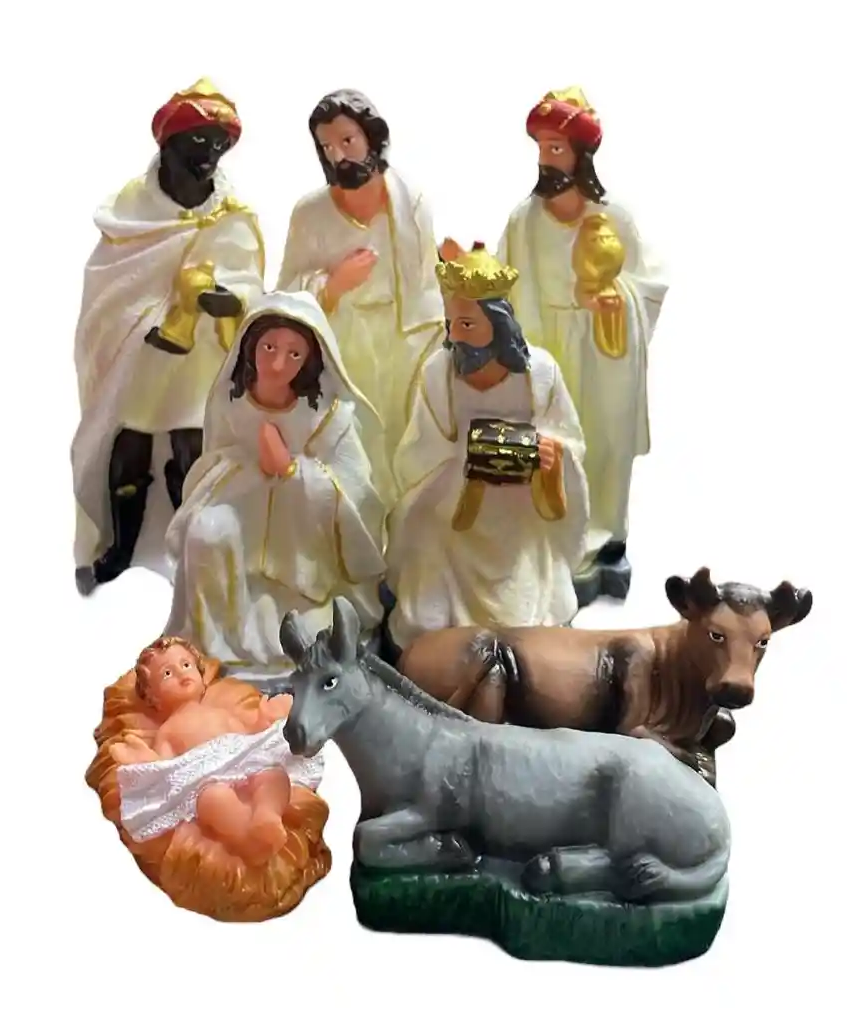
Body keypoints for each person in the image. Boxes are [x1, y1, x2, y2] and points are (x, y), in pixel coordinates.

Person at [72, 78, 265, 596]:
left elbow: (247, 278)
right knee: (129, 443)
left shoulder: (232, 214)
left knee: (193, 448)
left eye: (219, 144)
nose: (209, 155)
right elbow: (113, 288)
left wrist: (228, 299)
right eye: (198, 140)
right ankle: (119, 547)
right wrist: (147, 320)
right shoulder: (132, 211)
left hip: (201, 352)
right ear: (169, 141)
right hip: (144, 349)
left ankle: (192, 551)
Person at [498, 87, 668, 605]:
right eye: (542, 149)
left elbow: (648, 282)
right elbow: (504, 282)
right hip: (544, 344)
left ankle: (603, 533)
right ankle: (548, 530)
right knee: (549, 438)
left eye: (557, 148)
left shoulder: (614, 217)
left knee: (602, 439)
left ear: (581, 155)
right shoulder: (524, 220)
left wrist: (615, 301)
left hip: (600, 351)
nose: (547, 160)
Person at [164, 290, 387, 679]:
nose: (278, 363)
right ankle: (215, 644)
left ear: (310, 360)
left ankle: (286, 641)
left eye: (294, 354)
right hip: (240, 524)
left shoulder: (329, 417)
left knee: (310, 627)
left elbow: (357, 492)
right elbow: (211, 464)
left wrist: (292, 472)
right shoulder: (231, 403)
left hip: (305, 553)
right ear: (249, 346)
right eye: (268, 347)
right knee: (205, 532)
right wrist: (250, 471)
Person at [386, 242, 589, 652]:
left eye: (467, 324)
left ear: (499, 322)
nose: (454, 337)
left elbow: (569, 439)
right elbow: (418, 451)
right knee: (426, 614)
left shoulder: (540, 373)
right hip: (456, 507)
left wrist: (550, 456)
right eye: (450, 324)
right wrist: (467, 459)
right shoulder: (438, 373)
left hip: (521, 509)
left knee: (527, 613)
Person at [276, 89, 444, 480]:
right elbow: (285, 295)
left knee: (408, 434)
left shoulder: (411, 202)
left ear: (372, 136)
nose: (339, 156)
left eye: (347, 140)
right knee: (354, 438)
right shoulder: (310, 214)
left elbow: (426, 284)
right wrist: (333, 286)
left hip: (405, 340)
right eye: (327, 147)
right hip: (344, 340)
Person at [110, 636, 323, 867]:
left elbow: (248, 735)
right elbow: (166, 771)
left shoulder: (221, 712)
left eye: (186, 665)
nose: (181, 674)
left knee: (274, 775)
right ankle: (247, 838)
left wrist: (265, 717)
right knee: (214, 800)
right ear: (153, 696)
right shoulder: (168, 731)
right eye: (167, 674)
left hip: (242, 759)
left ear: (201, 674)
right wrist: (145, 761)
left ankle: (267, 814)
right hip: (206, 777)